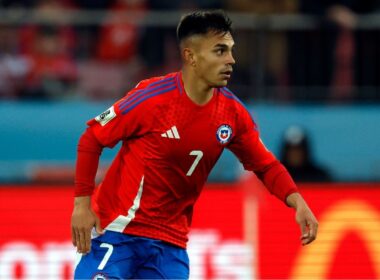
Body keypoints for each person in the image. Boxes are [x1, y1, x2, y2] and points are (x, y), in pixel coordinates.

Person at [71, 10, 318, 279]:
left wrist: (298, 202)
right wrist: (82, 206)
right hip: (117, 232)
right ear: (191, 56)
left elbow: (265, 165)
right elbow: (92, 137)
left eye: (231, 51)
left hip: (170, 246)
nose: (231, 60)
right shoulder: (152, 99)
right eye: (220, 51)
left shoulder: (233, 114)